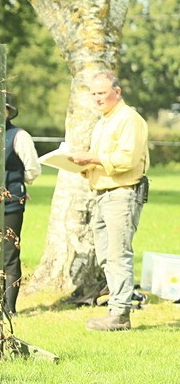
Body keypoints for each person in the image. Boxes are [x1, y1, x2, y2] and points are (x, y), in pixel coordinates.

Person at [69, 71, 150, 331]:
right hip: (102, 194)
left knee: (118, 255)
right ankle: (116, 308)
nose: (97, 98)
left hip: (122, 194)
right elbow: (101, 159)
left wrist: (90, 159)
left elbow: (127, 159)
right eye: (93, 94)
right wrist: (81, 164)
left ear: (118, 91)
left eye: (102, 93)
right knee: (106, 256)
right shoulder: (104, 121)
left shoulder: (129, 119)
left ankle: (120, 314)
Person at [1, 94, 40, 317]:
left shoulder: (19, 136)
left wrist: (14, 181)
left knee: (9, 255)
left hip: (11, 203)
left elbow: (33, 169)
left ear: (8, 111)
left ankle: (10, 307)